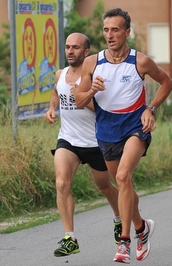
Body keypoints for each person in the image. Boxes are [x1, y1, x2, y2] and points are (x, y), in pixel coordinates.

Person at [75, 8, 172, 264]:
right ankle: (142, 228)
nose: (110, 35)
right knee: (123, 186)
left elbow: (167, 83)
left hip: (135, 127)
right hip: (107, 130)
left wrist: (150, 108)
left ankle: (124, 242)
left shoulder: (140, 61)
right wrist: (91, 91)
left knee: (122, 176)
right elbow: (78, 100)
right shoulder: (92, 63)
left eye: (115, 29)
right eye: (106, 30)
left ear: (127, 32)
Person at [44, 33, 121, 257]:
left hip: (96, 141)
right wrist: (52, 108)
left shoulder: (96, 77)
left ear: (86, 52)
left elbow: (106, 111)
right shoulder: (61, 74)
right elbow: (57, 92)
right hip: (68, 139)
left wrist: (84, 98)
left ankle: (118, 218)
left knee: (105, 187)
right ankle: (70, 238)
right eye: (67, 47)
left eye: (75, 47)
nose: (70, 51)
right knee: (61, 183)